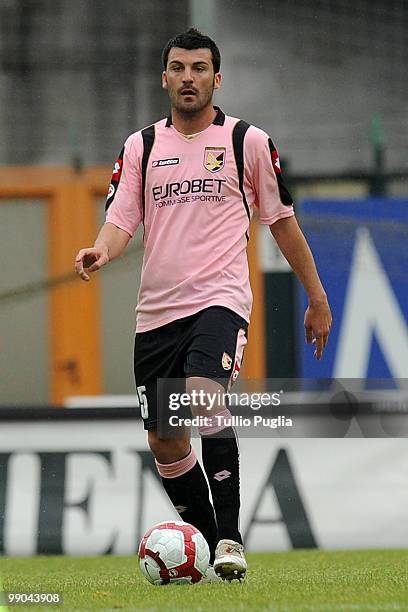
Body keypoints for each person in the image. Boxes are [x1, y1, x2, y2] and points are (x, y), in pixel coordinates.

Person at [75, 28, 332, 581]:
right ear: (164, 77)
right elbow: (121, 222)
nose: (188, 77)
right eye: (178, 67)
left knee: (204, 395)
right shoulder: (141, 146)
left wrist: (316, 295)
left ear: (217, 78)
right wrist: (99, 251)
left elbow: (281, 223)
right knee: (165, 440)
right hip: (156, 315)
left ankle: (232, 537)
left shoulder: (247, 142)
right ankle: (214, 546)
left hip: (220, 300)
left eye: (198, 68)